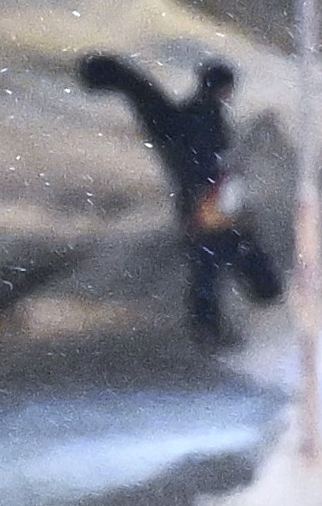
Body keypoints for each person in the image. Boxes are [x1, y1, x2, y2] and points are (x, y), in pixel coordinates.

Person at [71, 47, 286, 328]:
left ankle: (221, 320)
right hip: (212, 200)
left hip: (204, 200)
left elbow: (146, 98)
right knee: (226, 257)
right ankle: (247, 311)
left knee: (214, 262)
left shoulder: (190, 114)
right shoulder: (205, 116)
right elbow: (207, 161)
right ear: (223, 88)